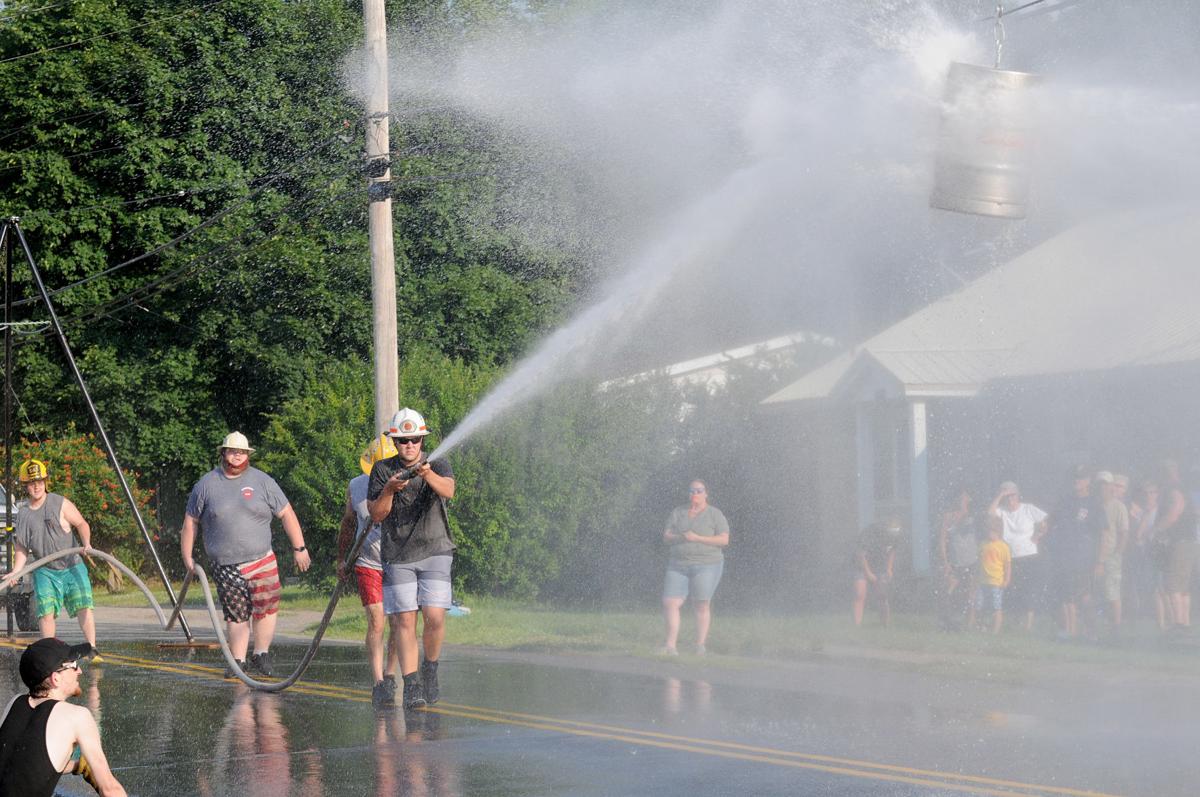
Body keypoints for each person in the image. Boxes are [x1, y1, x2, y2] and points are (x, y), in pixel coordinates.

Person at [180, 432, 312, 677]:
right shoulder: (206, 484)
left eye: (241, 452)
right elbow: (191, 522)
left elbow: (286, 513)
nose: (236, 456)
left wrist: (299, 548)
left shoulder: (262, 481)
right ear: (223, 453)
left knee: (266, 607)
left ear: (248, 455)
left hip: (261, 558)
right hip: (225, 563)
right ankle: (238, 661)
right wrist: (187, 557)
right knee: (236, 613)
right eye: (232, 451)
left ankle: (261, 654)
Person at [367, 408, 456, 710]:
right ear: (394, 440)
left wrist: (427, 473)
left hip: (435, 549)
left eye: (415, 439)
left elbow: (449, 491)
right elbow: (376, 515)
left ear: (422, 439)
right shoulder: (381, 470)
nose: (409, 445)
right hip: (398, 554)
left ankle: (430, 669)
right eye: (403, 440)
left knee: (434, 616)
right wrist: (390, 490)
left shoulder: (438, 463)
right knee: (404, 619)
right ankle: (412, 683)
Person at [1, 460, 102, 660]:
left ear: (46, 481)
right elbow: (21, 546)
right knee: (45, 612)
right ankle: (50, 655)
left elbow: (81, 523)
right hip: (44, 569)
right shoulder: (23, 513)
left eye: (39, 481)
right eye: (31, 483)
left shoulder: (59, 503)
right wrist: (16, 570)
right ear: (25, 486)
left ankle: (92, 649)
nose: (36, 486)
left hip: (72, 565)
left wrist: (87, 544)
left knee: (84, 605)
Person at [0, 637, 126, 796]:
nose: (79, 671)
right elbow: (110, 789)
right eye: (74, 665)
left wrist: (75, 766)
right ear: (55, 678)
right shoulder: (77, 716)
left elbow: (21, 766)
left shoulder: (15, 703)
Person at [337, 434, 402, 705]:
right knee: (377, 620)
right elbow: (348, 522)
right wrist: (342, 559)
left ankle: (390, 675)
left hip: (399, 561)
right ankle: (377, 681)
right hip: (368, 562)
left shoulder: (405, 482)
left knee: (400, 622)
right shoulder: (356, 485)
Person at [660, 479, 731, 655]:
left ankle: (699, 645)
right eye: (692, 491)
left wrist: (698, 538)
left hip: (707, 564)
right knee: (670, 602)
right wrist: (682, 537)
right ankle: (670, 646)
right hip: (678, 564)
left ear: (706, 493)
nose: (695, 494)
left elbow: (724, 540)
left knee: (701, 603)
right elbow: (666, 536)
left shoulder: (715, 514)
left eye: (699, 491)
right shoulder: (679, 512)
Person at [1045, 465, 1099, 640]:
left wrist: (1100, 560)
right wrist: (1041, 530)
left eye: (1081, 477)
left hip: (1084, 557)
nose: (1077, 480)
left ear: (1088, 481)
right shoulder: (1065, 501)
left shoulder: (1093, 503)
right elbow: (1051, 521)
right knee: (1065, 595)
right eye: (1075, 477)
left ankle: (1090, 632)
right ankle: (1068, 631)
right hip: (1063, 555)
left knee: (1084, 596)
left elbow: (1102, 533)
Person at [988, 481, 1047, 631]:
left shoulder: (1028, 509)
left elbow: (1045, 522)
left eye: (1012, 495)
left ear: (1018, 494)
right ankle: (1016, 622)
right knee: (1014, 590)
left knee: (1029, 590)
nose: (1010, 499)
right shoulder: (1002, 511)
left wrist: (1038, 535)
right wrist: (1000, 495)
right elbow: (990, 512)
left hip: (1029, 555)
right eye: (1007, 496)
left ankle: (1028, 625)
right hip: (1010, 558)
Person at [1153, 459, 1196, 630]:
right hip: (1190, 543)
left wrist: (1156, 530)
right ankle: (1184, 623)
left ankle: (1179, 625)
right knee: (1183, 585)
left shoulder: (1175, 491)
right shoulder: (1184, 489)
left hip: (1181, 543)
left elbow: (1175, 512)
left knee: (1173, 583)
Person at [937, 487, 978, 631]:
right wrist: (945, 562)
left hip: (971, 561)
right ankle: (947, 621)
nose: (963, 499)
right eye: (961, 496)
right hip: (954, 562)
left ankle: (970, 624)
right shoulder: (948, 516)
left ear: (969, 499)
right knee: (949, 589)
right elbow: (942, 540)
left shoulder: (973, 515)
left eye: (965, 496)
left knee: (970, 593)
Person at [1093, 471, 1129, 635]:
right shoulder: (1093, 504)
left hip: (1111, 555)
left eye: (1106, 483)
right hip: (1093, 555)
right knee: (1096, 591)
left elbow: (1124, 532)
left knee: (1112, 591)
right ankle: (1096, 626)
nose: (1103, 487)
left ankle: (1116, 627)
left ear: (1111, 486)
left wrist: (1118, 554)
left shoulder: (1118, 506)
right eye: (1100, 484)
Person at [1129, 480, 1168, 630]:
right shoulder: (1138, 512)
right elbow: (1136, 535)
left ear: (1157, 494)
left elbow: (1143, 534)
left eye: (1152, 493)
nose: (1149, 496)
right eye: (1146, 493)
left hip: (1156, 554)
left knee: (1160, 589)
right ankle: (1161, 624)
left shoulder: (1160, 512)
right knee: (1149, 589)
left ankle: (1167, 623)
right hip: (1141, 554)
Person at [852, 517, 901, 628]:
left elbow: (892, 551)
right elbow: (861, 555)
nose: (893, 535)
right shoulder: (871, 535)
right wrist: (868, 573)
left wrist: (889, 568)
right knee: (860, 594)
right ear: (886, 529)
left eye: (896, 532)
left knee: (882, 596)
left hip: (880, 567)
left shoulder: (895, 536)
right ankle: (857, 626)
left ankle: (885, 626)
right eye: (892, 532)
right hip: (861, 566)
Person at [976, 519, 1012, 634]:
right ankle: (982, 627)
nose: (991, 534)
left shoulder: (1003, 547)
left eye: (994, 532)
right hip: (982, 580)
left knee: (996, 606)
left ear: (999, 532)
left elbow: (1007, 565)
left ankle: (995, 631)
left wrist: (1007, 579)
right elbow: (978, 561)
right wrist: (975, 577)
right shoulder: (983, 544)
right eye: (990, 531)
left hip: (996, 581)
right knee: (980, 604)